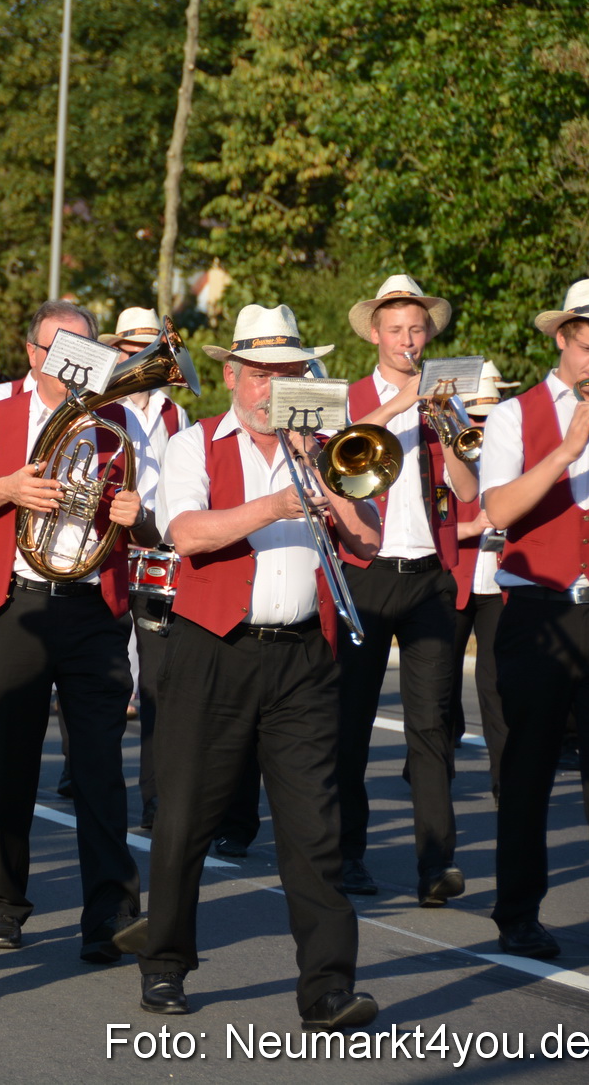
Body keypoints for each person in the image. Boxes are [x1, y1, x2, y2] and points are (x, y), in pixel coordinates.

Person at [139, 302, 383, 1030]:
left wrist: (325, 480)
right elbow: (186, 533)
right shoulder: (195, 444)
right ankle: (166, 962)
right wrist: (277, 499)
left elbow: (367, 542)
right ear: (232, 373)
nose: (273, 386)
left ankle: (328, 987)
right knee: (185, 816)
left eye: (288, 372)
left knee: (314, 826)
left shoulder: (331, 446)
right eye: (260, 373)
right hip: (212, 648)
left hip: (303, 653)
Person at [0, 300, 155, 961]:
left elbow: (149, 530)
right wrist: (10, 490)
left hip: (92, 606)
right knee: (11, 760)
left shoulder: (117, 416)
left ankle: (110, 914)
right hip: (17, 605)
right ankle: (5, 903)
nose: (77, 364)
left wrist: (135, 516)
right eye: (62, 350)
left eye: (87, 350)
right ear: (33, 354)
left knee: (100, 767)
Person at [480, 277, 589, 971]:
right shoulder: (514, 416)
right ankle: (518, 914)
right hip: (536, 613)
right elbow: (499, 510)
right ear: (562, 340)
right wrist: (567, 448)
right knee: (527, 770)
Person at [335, 275, 477, 906]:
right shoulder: (348, 398)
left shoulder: (447, 397)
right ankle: (347, 854)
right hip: (366, 575)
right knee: (352, 724)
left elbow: (470, 493)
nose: (408, 340)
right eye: (396, 330)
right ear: (375, 333)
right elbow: (332, 460)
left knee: (431, 728)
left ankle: (434, 864)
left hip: (428, 577)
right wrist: (398, 407)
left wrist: (450, 434)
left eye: (418, 330)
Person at [99, 306, 194, 831]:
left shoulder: (176, 415)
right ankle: (90, 774)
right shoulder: (97, 402)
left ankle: (154, 797)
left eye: (148, 347)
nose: (138, 356)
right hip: (110, 552)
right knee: (108, 678)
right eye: (130, 347)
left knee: (158, 684)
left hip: (158, 556)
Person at [447, 362, 518, 796]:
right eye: (475, 420)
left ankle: (503, 779)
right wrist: (474, 527)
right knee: (439, 684)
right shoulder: (446, 456)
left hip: (497, 584)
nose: (482, 428)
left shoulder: (513, 449)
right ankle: (427, 771)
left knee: (494, 685)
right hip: (454, 580)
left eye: (491, 419)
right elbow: (425, 527)